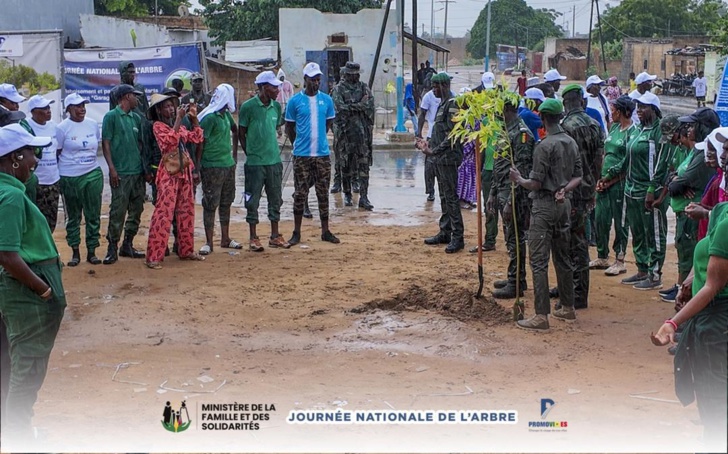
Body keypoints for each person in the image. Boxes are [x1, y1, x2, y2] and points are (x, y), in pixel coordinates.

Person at [650, 132, 728, 447]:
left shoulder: (725, 221)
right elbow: (707, 263)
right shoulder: (721, 212)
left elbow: (712, 285)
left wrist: (673, 322)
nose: (721, 158)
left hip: (716, 324)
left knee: (715, 404)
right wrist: (686, 281)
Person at [0, 124, 65, 448]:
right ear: (13, 159)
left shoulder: (9, 190)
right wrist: (44, 290)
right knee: (27, 370)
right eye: (30, 154)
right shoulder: (10, 196)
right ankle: (19, 438)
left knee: (16, 366)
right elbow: (7, 255)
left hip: (22, 292)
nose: (35, 161)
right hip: (27, 295)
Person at [509, 98, 583, 330]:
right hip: (563, 206)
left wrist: (519, 179)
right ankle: (567, 307)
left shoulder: (545, 146)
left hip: (544, 206)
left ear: (542, 118)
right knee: (562, 257)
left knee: (538, 261)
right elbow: (578, 176)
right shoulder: (570, 142)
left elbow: (536, 183)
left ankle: (541, 315)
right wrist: (564, 190)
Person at [662, 109, 719, 301]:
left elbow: (678, 183)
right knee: (685, 250)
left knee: (693, 252)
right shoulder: (695, 151)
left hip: (697, 212)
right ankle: (682, 287)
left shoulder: (704, 155)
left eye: (692, 126)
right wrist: (677, 180)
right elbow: (673, 179)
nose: (688, 130)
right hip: (688, 210)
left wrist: (678, 181)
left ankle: (689, 292)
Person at [144, 93, 205, 269]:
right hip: (169, 174)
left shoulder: (176, 125)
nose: (171, 109)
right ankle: (154, 257)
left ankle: (186, 250)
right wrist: (179, 120)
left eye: (172, 106)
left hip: (184, 171)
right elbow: (169, 142)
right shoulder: (157, 126)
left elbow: (197, 138)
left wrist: (194, 120)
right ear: (158, 110)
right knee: (163, 214)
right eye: (167, 107)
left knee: (186, 212)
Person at [618, 92, 669, 290]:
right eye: (637, 106)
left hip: (650, 191)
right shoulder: (638, 129)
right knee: (638, 232)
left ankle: (655, 275)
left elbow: (662, 163)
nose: (639, 110)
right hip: (631, 189)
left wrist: (651, 189)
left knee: (654, 233)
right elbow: (627, 158)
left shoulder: (659, 132)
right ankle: (642, 269)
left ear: (654, 109)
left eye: (644, 107)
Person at [560, 84, 605, 310]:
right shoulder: (595, 125)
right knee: (576, 241)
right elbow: (599, 160)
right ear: (582, 101)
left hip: (571, 192)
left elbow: (564, 164)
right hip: (587, 189)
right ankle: (568, 287)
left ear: (565, 103)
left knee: (573, 243)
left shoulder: (566, 127)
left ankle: (577, 293)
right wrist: (593, 184)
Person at [285, 62, 340, 245]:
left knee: (323, 193)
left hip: (322, 155)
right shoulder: (295, 102)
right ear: (305, 80)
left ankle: (325, 231)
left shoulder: (327, 100)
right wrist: (299, 144)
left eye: (318, 80)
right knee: (300, 194)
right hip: (302, 156)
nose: (315, 83)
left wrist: (319, 140)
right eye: (312, 80)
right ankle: (297, 232)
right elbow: (290, 128)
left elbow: (328, 124)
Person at [238, 71, 291, 251]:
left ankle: (275, 235)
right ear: (262, 87)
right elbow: (241, 133)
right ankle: (253, 236)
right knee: (252, 199)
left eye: (277, 86)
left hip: (274, 161)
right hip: (255, 164)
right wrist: (251, 153)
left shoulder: (276, 107)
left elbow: (275, 129)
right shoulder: (248, 107)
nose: (277, 89)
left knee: (275, 198)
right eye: (273, 86)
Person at [488, 99, 535, 298]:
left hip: (514, 194)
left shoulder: (521, 134)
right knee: (509, 237)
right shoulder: (506, 131)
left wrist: (510, 201)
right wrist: (492, 193)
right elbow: (500, 165)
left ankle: (516, 282)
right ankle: (515, 278)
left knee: (515, 237)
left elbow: (521, 172)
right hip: (501, 190)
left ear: (507, 108)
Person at [416, 72, 465, 254]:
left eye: (435, 87)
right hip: (440, 158)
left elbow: (454, 136)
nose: (433, 90)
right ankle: (445, 231)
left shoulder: (452, 104)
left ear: (444, 86)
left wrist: (434, 151)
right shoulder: (443, 104)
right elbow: (442, 132)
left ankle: (458, 237)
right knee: (444, 197)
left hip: (448, 159)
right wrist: (429, 144)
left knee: (451, 198)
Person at [101, 84, 150, 265]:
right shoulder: (111, 117)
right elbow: (106, 143)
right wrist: (112, 169)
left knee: (136, 210)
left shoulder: (136, 118)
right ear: (127, 97)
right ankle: (112, 247)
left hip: (136, 171)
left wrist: (144, 170)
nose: (138, 99)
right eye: (135, 96)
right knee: (118, 211)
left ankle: (127, 244)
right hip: (121, 172)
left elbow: (141, 145)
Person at [57, 93, 103, 266]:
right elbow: (58, 152)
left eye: (83, 105)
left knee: (93, 214)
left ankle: (92, 251)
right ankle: (75, 251)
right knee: (74, 216)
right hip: (70, 176)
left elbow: (95, 146)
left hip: (92, 173)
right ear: (69, 109)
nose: (82, 109)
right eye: (77, 106)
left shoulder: (92, 124)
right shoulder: (62, 128)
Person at [592, 96, 635, 276]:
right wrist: (600, 179)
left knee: (620, 222)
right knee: (600, 219)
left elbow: (628, 164)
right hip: (604, 182)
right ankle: (602, 255)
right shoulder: (615, 128)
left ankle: (620, 259)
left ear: (624, 111)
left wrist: (610, 180)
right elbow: (605, 153)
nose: (612, 113)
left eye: (615, 109)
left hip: (619, 184)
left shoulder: (633, 133)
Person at [197, 83, 241, 255]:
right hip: (211, 166)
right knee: (210, 203)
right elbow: (201, 142)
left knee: (226, 202)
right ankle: (209, 242)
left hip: (227, 165)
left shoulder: (226, 115)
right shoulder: (209, 117)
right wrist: (198, 166)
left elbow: (235, 130)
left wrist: (235, 155)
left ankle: (225, 238)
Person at [331, 62, 376, 210]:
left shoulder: (364, 88)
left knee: (363, 166)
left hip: (362, 135)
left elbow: (369, 105)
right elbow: (339, 108)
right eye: (351, 74)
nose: (354, 76)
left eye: (356, 74)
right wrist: (359, 106)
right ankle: (348, 194)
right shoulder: (338, 89)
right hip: (344, 135)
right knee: (345, 166)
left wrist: (353, 106)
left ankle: (364, 197)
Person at [25, 95, 62, 232]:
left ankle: (48, 251)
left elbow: (58, 151)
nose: (48, 111)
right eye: (44, 108)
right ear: (33, 111)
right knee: (34, 221)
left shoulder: (54, 127)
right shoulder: (26, 127)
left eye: (48, 107)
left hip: (53, 181)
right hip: (36, 183)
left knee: (50, 221)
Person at [0, 84, 37, 202]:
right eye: (13, 102)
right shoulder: (10, 194)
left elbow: (37, 149)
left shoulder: (21, 122)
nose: (17, 106)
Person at [418, 87, 442, 202]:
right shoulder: (428, 96)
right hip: (432, 135)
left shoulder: (451, 96)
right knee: (429, 165)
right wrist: (419, 133)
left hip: (444, 135)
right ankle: (430, 191)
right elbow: (422, 114)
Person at [275, 69, 295, 139]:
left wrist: (290, 101)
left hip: (286, 103)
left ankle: (287, 132)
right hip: (278, 103)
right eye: (281, 77)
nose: (282, 79)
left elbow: (291, 93)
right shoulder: (276, 84)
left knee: (286, 118)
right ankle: (279, 132)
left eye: (283, 77)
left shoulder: (288, 84)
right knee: (278, 118)